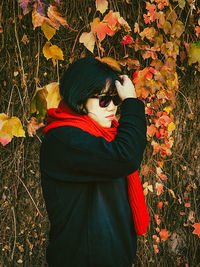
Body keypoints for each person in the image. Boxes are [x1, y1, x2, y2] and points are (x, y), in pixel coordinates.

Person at [40, 56, 149, 267]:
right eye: (103, 100)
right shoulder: (63, 139)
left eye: (116, 100)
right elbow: (125, 157)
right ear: (80, 101)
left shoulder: (108, 138)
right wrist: (131, 103)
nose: (112, 108)